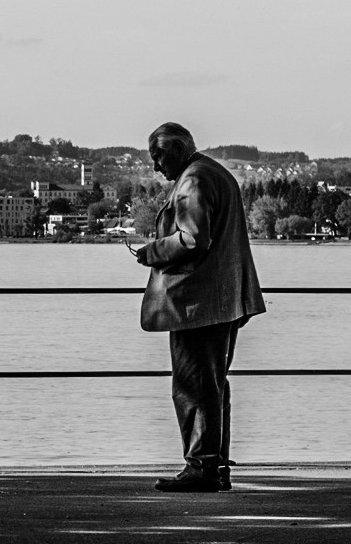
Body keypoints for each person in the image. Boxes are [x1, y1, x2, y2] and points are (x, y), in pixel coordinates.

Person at [132, 122, 265, 492]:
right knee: (212, 385)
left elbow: (192, 239)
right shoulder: (215, 173)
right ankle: (215, 467)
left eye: (157, 156)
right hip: (223, 299)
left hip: (198, 303)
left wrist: (151, 252)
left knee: (192, 385)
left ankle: (202, 468)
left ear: (177, 149)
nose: (156, 166)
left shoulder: (193, 180)